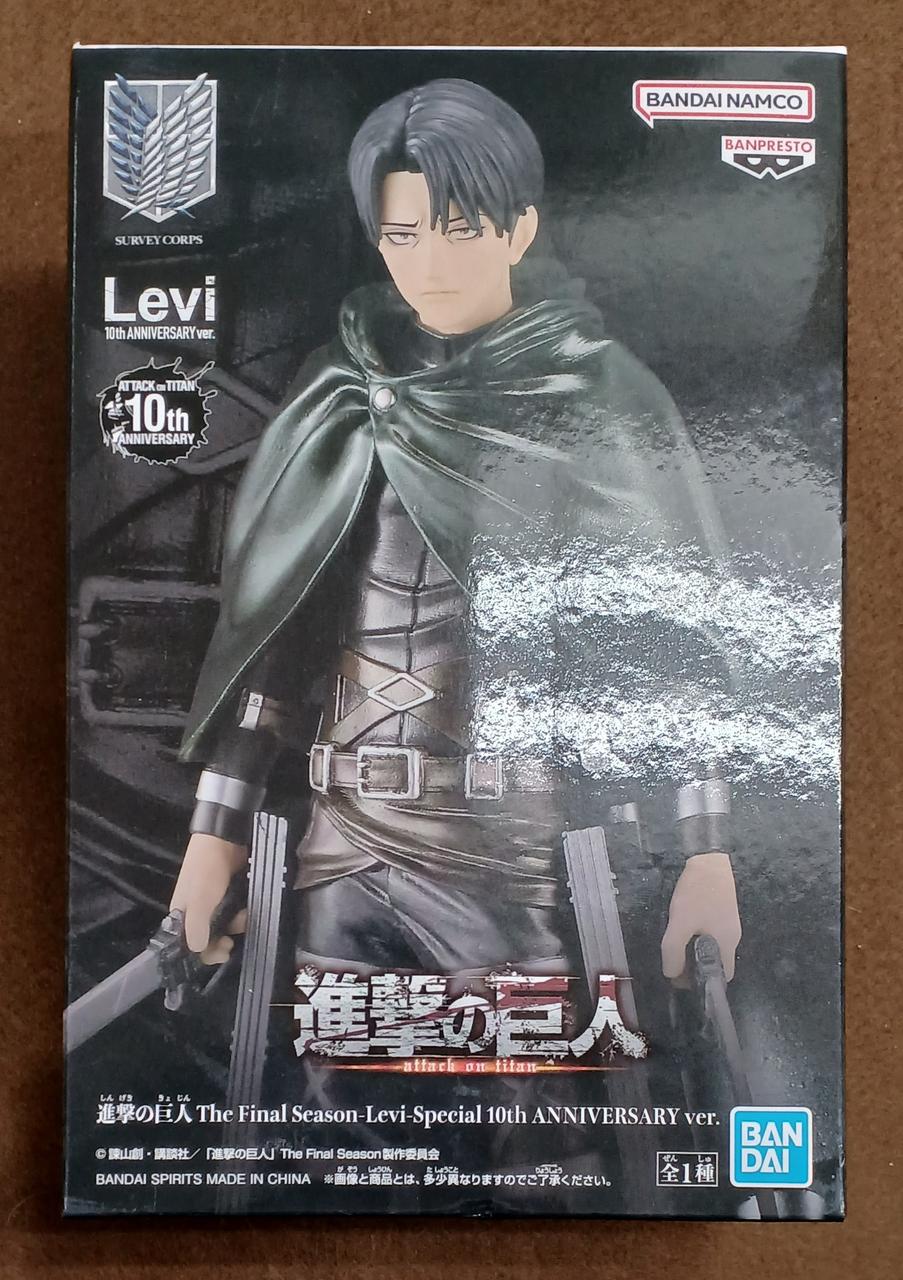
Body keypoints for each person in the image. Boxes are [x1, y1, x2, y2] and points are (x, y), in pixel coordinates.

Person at [170, 77, 741, 996]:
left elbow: (668, 646)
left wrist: (706, 855)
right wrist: (214, 836)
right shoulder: (342, 390)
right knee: (340, 1085)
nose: (429, 262)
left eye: (460, 229)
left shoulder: (593, 397)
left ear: (518, 230)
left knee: (527, 1086)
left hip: (513, 851)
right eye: (402, 235)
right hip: (341, 841)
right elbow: (274, 637)